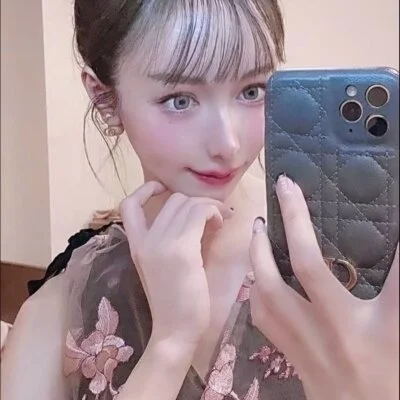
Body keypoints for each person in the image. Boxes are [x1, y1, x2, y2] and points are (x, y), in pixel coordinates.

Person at [1, 1, 398, 400]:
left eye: (252, 91)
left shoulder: (354, 266)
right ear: (105, 98)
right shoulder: (58, 315)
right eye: (180, 100)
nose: (228, 144)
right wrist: (169, 346)